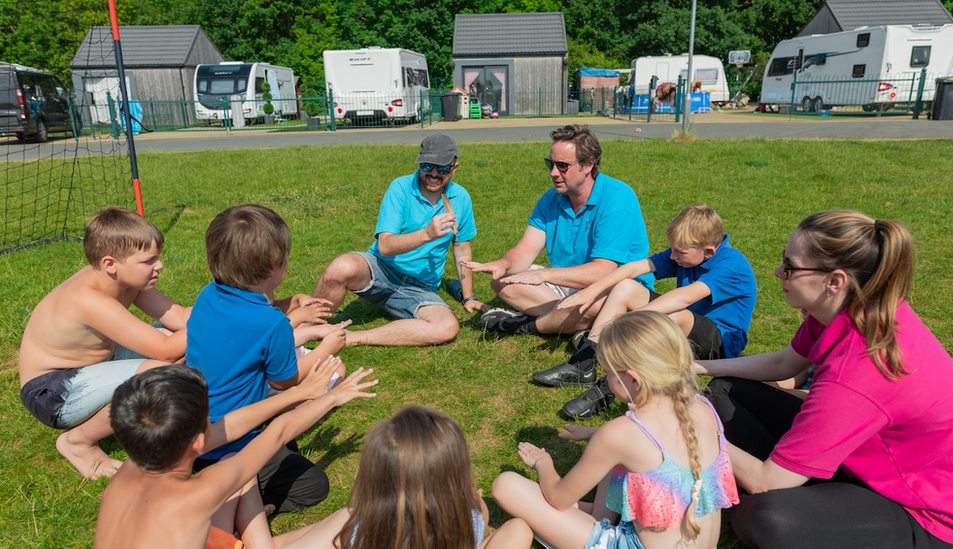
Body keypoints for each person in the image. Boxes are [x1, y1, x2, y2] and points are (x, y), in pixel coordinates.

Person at [697, 210, 953, 549]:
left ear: (835, 281)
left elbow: (764, 483)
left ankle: (797, 478)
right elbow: (783, 363)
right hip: (863, 458)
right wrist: (697, 368)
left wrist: (696, 430)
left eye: (790, 267)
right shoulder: (853, 305)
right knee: (724, 390)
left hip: (920, 510)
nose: (777, 273)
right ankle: (800, 473)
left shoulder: (859, 370)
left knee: (764, 515)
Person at [492, 311, 738, 549]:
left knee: (506, 485)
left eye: (608, 373)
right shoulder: (703, 407)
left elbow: (558, 498)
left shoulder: (619, 434)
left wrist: (542, 462)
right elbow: (658, 444)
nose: (606, 379)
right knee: (617, 461)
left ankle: (590, 522)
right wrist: (597, 434)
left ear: (633, 380)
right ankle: (593, 516)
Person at [94, 360, 377, 549]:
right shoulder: (199, 493)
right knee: (350, 519)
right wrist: (333, 397)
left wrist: (296, 394)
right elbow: (277, 432)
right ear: (199, 440)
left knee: (231, 459)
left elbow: (235, 426)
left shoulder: (132, 464)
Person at [187, 204, 348, 515]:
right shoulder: (271, 323)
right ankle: (245, 502)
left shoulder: (209, 293)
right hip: (230, 441)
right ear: (276, 265)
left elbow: (250, 334)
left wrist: (296, 311)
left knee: (288, 443)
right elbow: (285, 381)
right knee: (313, 485)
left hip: (194, 425)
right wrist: (327, 346)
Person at [18, 206, 191, 479]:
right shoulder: (88, 299)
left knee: (179, 344)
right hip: (51, 390)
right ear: (110, 264)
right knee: (163, 374)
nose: (159, 265)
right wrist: (218, 322)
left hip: (94, 363)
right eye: (149, 261)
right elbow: (166, 353)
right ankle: (78, 443)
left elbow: (179, 317)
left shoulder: (126, 278)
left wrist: (234, 307)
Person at [541, 203, 757, 419]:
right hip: (685, 324)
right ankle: (584, 362)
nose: (672, 257)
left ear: (709, 251)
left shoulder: (731, 265)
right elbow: (634, 268)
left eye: (679, 252)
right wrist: (592, 291)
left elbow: (685, 297)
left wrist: (632, 319)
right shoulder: (688, 253)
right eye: (671, 249)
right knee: (626, 286)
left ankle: (605, 390)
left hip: (720, 344)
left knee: (672, 313)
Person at [465, 124, 653, 336]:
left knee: (595, 303)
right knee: (503, 281)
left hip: (618, 288)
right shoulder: (550, 198)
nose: (554, 173)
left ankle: (530, 325)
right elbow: (525, 250)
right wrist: (504, 264)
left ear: (588, 165)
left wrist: (544, 275)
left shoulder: (617, 198)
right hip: (569, 284)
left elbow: (604, 271)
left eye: (563, 166)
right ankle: (574, 325)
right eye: (551, 164)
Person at [268, 406, 534, 549]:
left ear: (374, 477)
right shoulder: (469, 520)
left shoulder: (355, 526)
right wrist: (472, 502)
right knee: (518, 529)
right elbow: (481, 515)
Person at [312, 132, 487, 347]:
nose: (433, 173)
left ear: (454, 168)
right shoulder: (400, 188)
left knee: (447, 327)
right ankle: (309, 329)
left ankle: (350, 338)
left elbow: (461, 248)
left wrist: (468, 297)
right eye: (427, 166)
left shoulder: (461, 197)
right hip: (382, 269)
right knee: (341, 267)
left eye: (442, 168)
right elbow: (385, 247)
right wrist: (427, 234)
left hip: (420, 287)